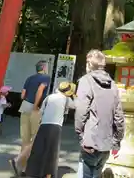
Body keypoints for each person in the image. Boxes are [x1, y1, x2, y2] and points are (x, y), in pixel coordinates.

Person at [75, 50, 125, 178]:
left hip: (90, 141)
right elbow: (119, 116)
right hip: (106, 142)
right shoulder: (113, 85)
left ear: (88, 64)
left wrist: (80, 134)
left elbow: (81, 110)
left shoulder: (86, 81)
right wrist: (116, 140)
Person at [25, 81, 77, 178]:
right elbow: (75, 106)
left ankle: (33, 171)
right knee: (52, 151)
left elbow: (41, 111)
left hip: (44, 125)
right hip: (55, 127)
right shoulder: (66, 99)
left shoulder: (49, 97)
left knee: (39, 149)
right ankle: (48, 173)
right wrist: (74, 95)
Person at [10, 60, 51, 177]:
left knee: (25, 138)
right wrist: (36, 105)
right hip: (35, 108)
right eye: (46, 66)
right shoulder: (46, 77)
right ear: (43, 67)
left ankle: (21, 168)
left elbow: (22, 95)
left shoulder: (29, 78)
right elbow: (40, 90)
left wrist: (29, 102)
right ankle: (23, 162)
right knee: (36, 138)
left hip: (25, 107)